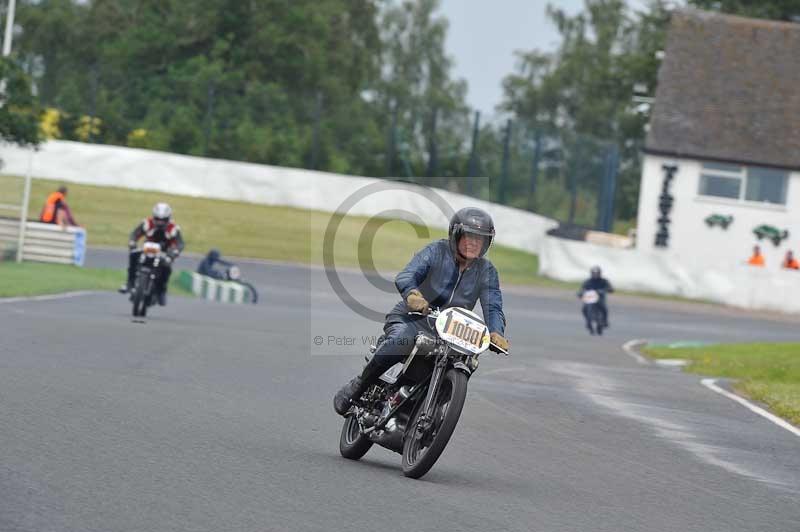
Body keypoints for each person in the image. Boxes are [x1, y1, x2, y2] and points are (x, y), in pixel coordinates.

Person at [333, 207, 510, 416]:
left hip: (450, 334)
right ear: (456, 235)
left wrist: (496, 332)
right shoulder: (436, 251)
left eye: (479, 238)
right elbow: (407, 275)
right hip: (414, 318)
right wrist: (414, 296)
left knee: (466, 361)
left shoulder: (487, 271)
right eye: (469, 236)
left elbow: (493, 305)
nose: (473, 242)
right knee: (402, 339)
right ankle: (358, 385)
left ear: (486, 243)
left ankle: (431, 411)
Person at [119, 203, 184, 305]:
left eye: (163, 220)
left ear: (168, 218)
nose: (160, 222)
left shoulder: (174, 228)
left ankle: (161, 291)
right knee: (133, 255)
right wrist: (132, 242)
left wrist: (174, 252)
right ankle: (129, 283)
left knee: (167, 267)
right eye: (158, 219)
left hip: (164, 253)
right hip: (147, 249)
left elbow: (180, 243)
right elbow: (135, 234)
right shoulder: (147, 223)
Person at [577, 266, 614, 331]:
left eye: (597, 273)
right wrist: (580, 293)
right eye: (594, 273)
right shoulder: (588, 281)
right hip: (590, 298)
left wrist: (604, 290)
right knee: (584, 308)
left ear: (600, 273)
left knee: (604, 308)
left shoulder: (604, 281)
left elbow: (610, 288)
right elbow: (582, 288)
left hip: (600, 298)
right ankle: (587, 321)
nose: (595, 275)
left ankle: (605, 321)